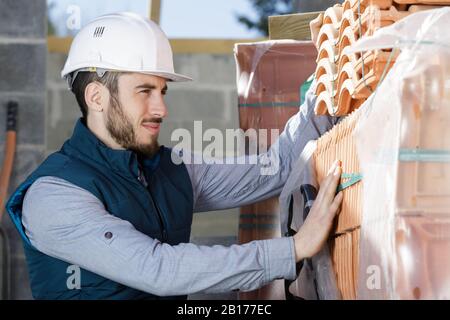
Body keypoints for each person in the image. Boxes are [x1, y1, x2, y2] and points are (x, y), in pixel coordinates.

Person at [6, 12, 343, 300]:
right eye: (144, 91)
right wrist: (294, 248)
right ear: (96, 97)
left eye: (162, 91)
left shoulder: (173, 169)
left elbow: (276, 169)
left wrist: (327, 79)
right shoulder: (53, 196)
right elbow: (157, 269)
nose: (161, 108)